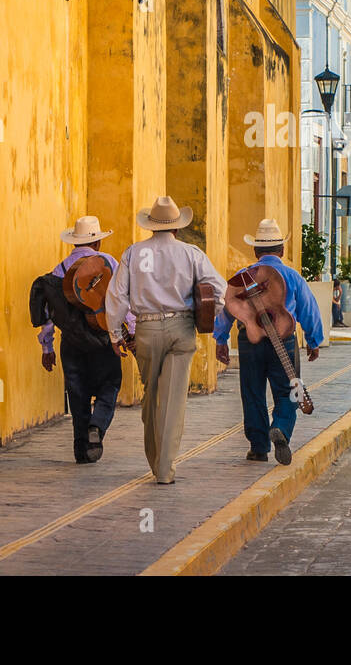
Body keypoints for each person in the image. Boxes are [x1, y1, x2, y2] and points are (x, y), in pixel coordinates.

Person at [105, 195, 226, 485]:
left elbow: (117, 296)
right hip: (181, 328)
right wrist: (203, 315)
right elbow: (219, 293)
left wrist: (114, 333)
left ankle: (154, 458)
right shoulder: (191, 253)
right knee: (172, 400)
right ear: (176, 227)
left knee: (151, 395)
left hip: (146, 330)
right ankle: (164, 468)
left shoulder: (133, 253)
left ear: (151, 227)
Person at [214, 219, 324, 466]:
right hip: (283, 340)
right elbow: (309, 309)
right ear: (282, 251)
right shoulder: (291, 276)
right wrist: (314, 340)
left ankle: (258, 447)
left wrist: (220, 339)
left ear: (255, 252)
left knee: (252, 392)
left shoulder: (244, 278)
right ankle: (282, 428)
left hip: (249, 340)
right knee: (289, 390)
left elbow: (228, 309)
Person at [29, 216, 132, 464]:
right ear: (97, 242)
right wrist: (130, 331)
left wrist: (47, 347)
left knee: (77, 394)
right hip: (103, 338)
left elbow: (50, 316)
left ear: (74, 242)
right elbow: (122, 299)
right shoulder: (107, 262)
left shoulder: (59, 270)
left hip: (72, 343)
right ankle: (97, 426)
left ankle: (81, 451)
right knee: (110, 385)